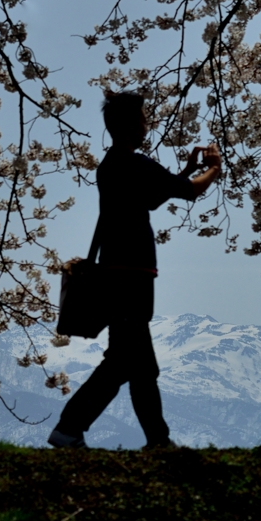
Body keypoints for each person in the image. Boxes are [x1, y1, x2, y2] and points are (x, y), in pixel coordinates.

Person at [48, 92, 221, 449]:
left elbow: (153, 197)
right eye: (143, 117)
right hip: (131, 278)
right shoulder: (135, 164)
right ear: (130, 125)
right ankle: (69, 427)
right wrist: (213, 170)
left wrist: (185, 171)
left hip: (119, 274)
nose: (147, 123)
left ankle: (158, 440)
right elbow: (189, 193)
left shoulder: (111, 165)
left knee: (139, 365)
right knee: (123, 362)